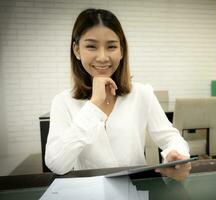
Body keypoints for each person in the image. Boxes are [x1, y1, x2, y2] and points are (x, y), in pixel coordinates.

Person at [45, 8, 191, 181]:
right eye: (91, 46)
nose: (102, 57)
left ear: (121, 51)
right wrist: (94, 105)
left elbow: (171, 138)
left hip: (136, 189)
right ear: (77, 50)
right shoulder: (62, 102)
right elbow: (56, 163)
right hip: (89, 192)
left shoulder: (142, 93)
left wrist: (175, 157)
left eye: (111, 46)